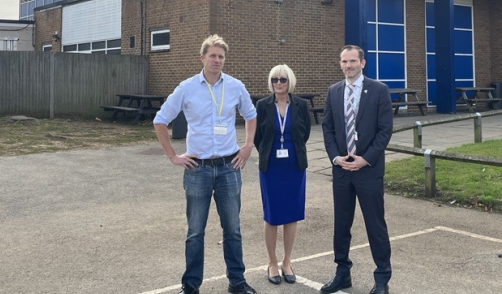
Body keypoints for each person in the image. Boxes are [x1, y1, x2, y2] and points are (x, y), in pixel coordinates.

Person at [153, 34, 258, 294]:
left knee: (232, 229)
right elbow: (160, 120)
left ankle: (237, 281)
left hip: (228, 167)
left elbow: (251, 115)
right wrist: (172, 156)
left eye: (221, 56)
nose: (217, 60)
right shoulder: (187, 88)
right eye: (212, 55)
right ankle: (190, 285)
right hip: (197, 168)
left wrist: (247, 146)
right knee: (195, 231)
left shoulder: (235, 86)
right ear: (202, 58)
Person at [320, 45, 393, 294]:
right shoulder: (333, 91)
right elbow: (327, 128)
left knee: (375, 224)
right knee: (341, 224)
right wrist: (335, 157)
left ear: (362, 63)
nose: (348, 66)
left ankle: (382, 278)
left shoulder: (379, 90)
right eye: (344, 61)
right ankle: (342, 274)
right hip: (341, 170)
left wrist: (366, 159)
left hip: (368, 170)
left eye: (352, 61)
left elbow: (385, 131)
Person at [253, 65, 312, 286]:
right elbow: (258, 136)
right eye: (275, 79)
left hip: (294, 167)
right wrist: (269, 152)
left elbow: (304, 133)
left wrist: (292, 152)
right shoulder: (262, 105)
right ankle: (272, 262)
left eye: (283, 80)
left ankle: (287, 261)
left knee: (292, 214)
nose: (279, 83)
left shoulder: (301, 105)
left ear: (290, 82)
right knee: (272, 215)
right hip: (271, 168)